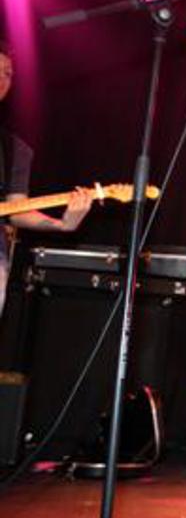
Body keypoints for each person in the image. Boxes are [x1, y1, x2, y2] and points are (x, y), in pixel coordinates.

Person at [1, 43, 92, 317]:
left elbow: (17, 209)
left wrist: (63, 224)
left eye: (8, 73)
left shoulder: (14, 149)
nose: (2, 78)